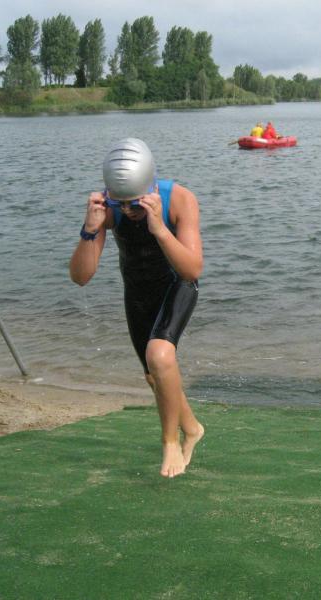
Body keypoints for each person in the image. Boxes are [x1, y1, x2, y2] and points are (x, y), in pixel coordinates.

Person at [69, 138, 205, 477]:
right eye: (121, 204)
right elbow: (81, 277)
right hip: (138, 291)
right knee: (154, 375)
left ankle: (170, 443)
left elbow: (192, 270)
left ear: (151, 189)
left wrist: (159, 228)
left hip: (177, 284)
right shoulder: (106, 208)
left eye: (136, 204)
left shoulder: (180, 200)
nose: (128, 211)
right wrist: (89, 229)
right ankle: (192, 428)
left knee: (160, 355)